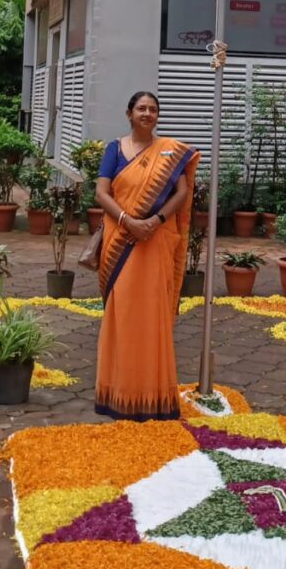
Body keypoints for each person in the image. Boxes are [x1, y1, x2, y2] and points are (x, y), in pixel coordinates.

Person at [94, 90, 198, 421]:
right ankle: (117, 393)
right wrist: (128, 221)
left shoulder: (169, 151)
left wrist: (155, 220)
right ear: (129, 113)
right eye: (141, 108)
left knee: (153, 315)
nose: (147, 113)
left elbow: (181, 192)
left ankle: (153, 396)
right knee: (122, 313)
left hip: (155, 241)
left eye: (153, 109)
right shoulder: (114, 149)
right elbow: (101, 192)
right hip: (122, 240)